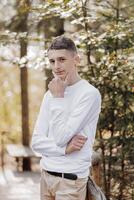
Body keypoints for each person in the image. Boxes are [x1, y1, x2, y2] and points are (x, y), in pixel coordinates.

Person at [31, 35, 101, 200]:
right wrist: (64, 150)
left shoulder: (89, 94)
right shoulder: (51, 93)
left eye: (62, 59)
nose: (56, 66)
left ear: (76, 59)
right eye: (52, 61)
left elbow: (61, 136)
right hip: (46, 177)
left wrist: (58, 98)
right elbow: (36, 143)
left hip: (71, 181)